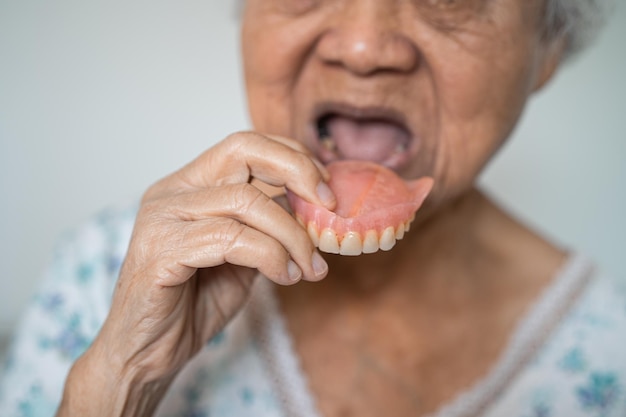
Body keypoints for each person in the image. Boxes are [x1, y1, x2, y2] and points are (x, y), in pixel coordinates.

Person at [1, 0, 624, 416]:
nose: (362, 46)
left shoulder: (608, 360)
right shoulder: (103, 275)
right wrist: (121, 379)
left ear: (550, 42)